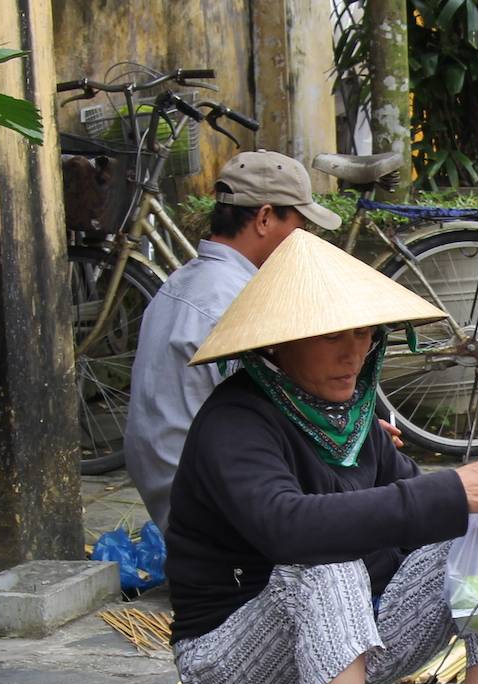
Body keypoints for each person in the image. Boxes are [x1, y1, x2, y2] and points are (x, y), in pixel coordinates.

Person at [165, 229, 478, 684]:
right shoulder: (235, 423)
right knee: (326, 565)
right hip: (229, 660)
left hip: (353, 638)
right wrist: (447, 491)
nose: (354, 352)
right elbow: (287, 529)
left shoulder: (352, 420)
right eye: (332, 337)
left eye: (364, 333)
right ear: (278, 343)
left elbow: (415, 524)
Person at [125, 151, 340, 530]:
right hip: (212, 512)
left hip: (176, 496)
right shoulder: (237, 302)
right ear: (264, 217)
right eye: (301, 226)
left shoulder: (182, 281)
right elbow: (277, 422)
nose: (304, 240)